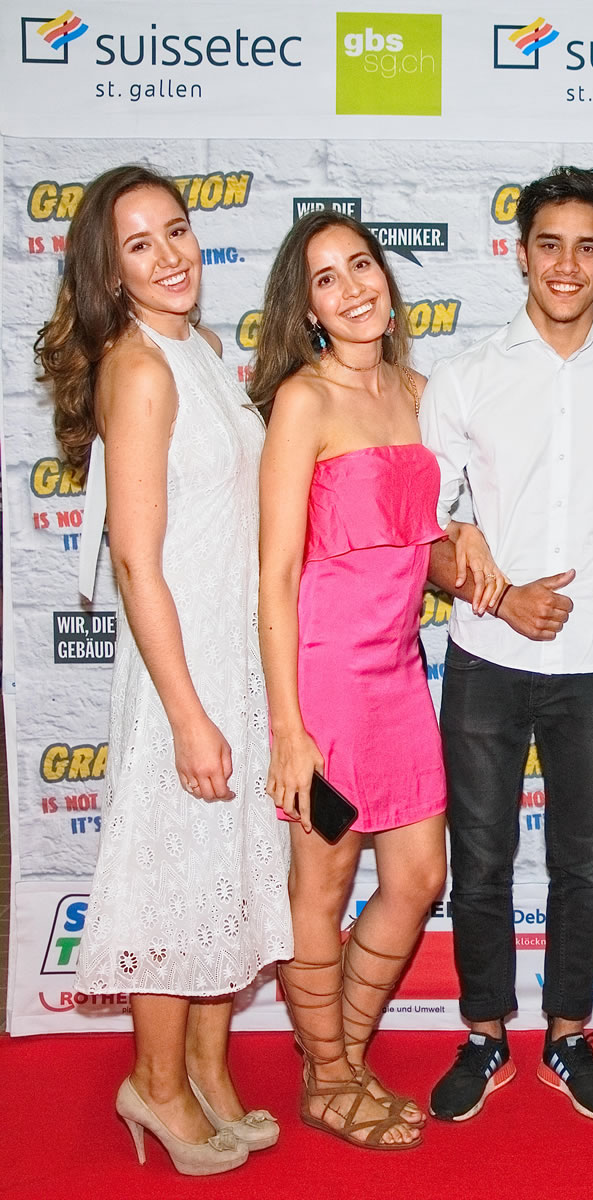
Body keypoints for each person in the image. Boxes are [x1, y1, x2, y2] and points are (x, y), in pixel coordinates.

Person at [40, 164, 292, 1176]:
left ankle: (203, 1069)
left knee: (219, 871)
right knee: (171, 875)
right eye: (139, 245)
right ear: (110, 273)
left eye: (176, 231)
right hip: (181, 665)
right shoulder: (139, 369)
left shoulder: (203, 350)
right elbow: (137, 562)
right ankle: (152, 1082)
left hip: (233, 652)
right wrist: (187, 713)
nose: (170, 255)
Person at [250, 211, 505, 1150]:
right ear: (307, 309)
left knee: (417, 877)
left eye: (360, 265)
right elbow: (276, 572)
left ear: (387, 281)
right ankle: (327, 1079)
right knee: (321, 889)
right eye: (326, 279)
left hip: (398, 671)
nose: (352, 287)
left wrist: (467, 532)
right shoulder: (303, 401)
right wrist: (289, 729)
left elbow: (437, 521)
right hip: (322, 677)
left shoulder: (421, 394)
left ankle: (339, 1054)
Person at [421, 166, 593, 1122]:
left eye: (586, 246)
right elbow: (426, 530)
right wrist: (497, 594)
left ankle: (568, 1035)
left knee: (583, 864)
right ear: (519, 253)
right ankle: (485, 1034)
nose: (567, 265)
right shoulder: (464, 378)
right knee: (479, 863)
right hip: (485, 655)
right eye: (549, 244)